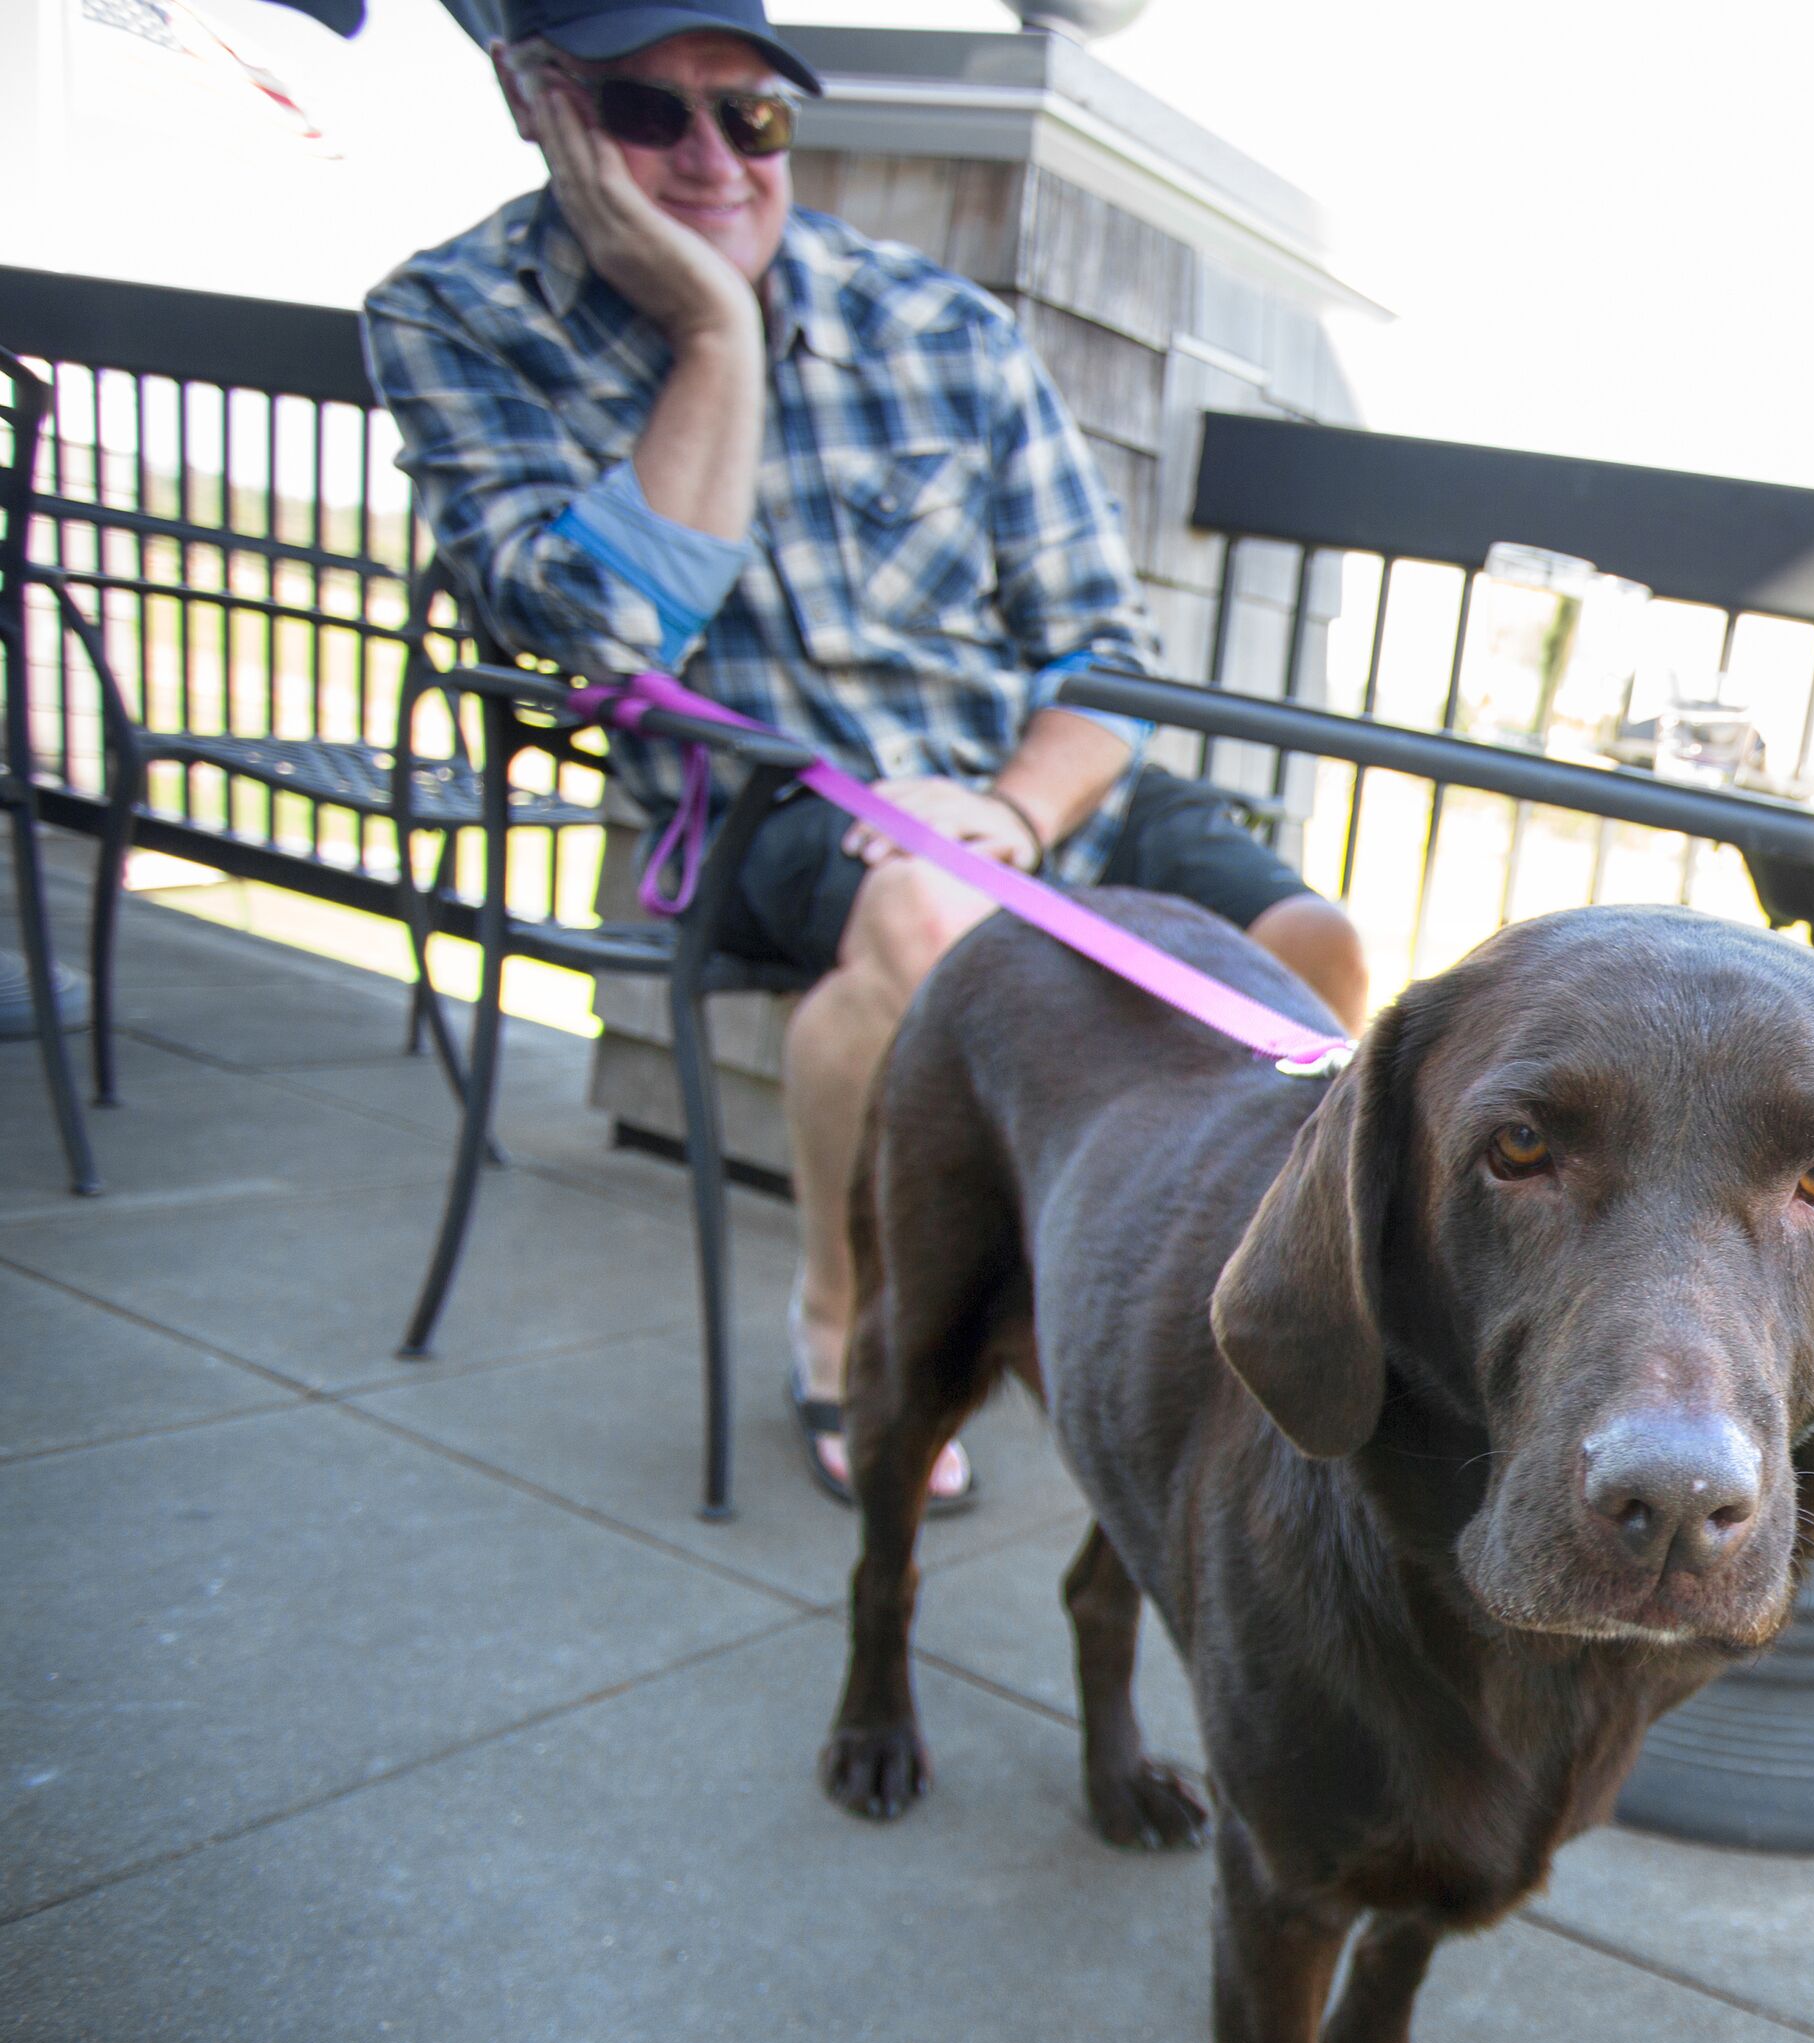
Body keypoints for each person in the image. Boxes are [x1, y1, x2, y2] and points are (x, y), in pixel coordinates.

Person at [363, 0, 1369, 1506]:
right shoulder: (453, 319)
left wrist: (1016, 811)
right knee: (917, 918)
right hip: (768, 798)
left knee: (1316, 952)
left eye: (751, 116)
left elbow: (1100, 648)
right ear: (544, 107)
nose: (713, 158)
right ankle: (854, 1322)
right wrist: (711, 327)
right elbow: (605, 634)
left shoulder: (941, 321)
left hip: (1015, 785)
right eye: (649, 115)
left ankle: (1198, 1302)